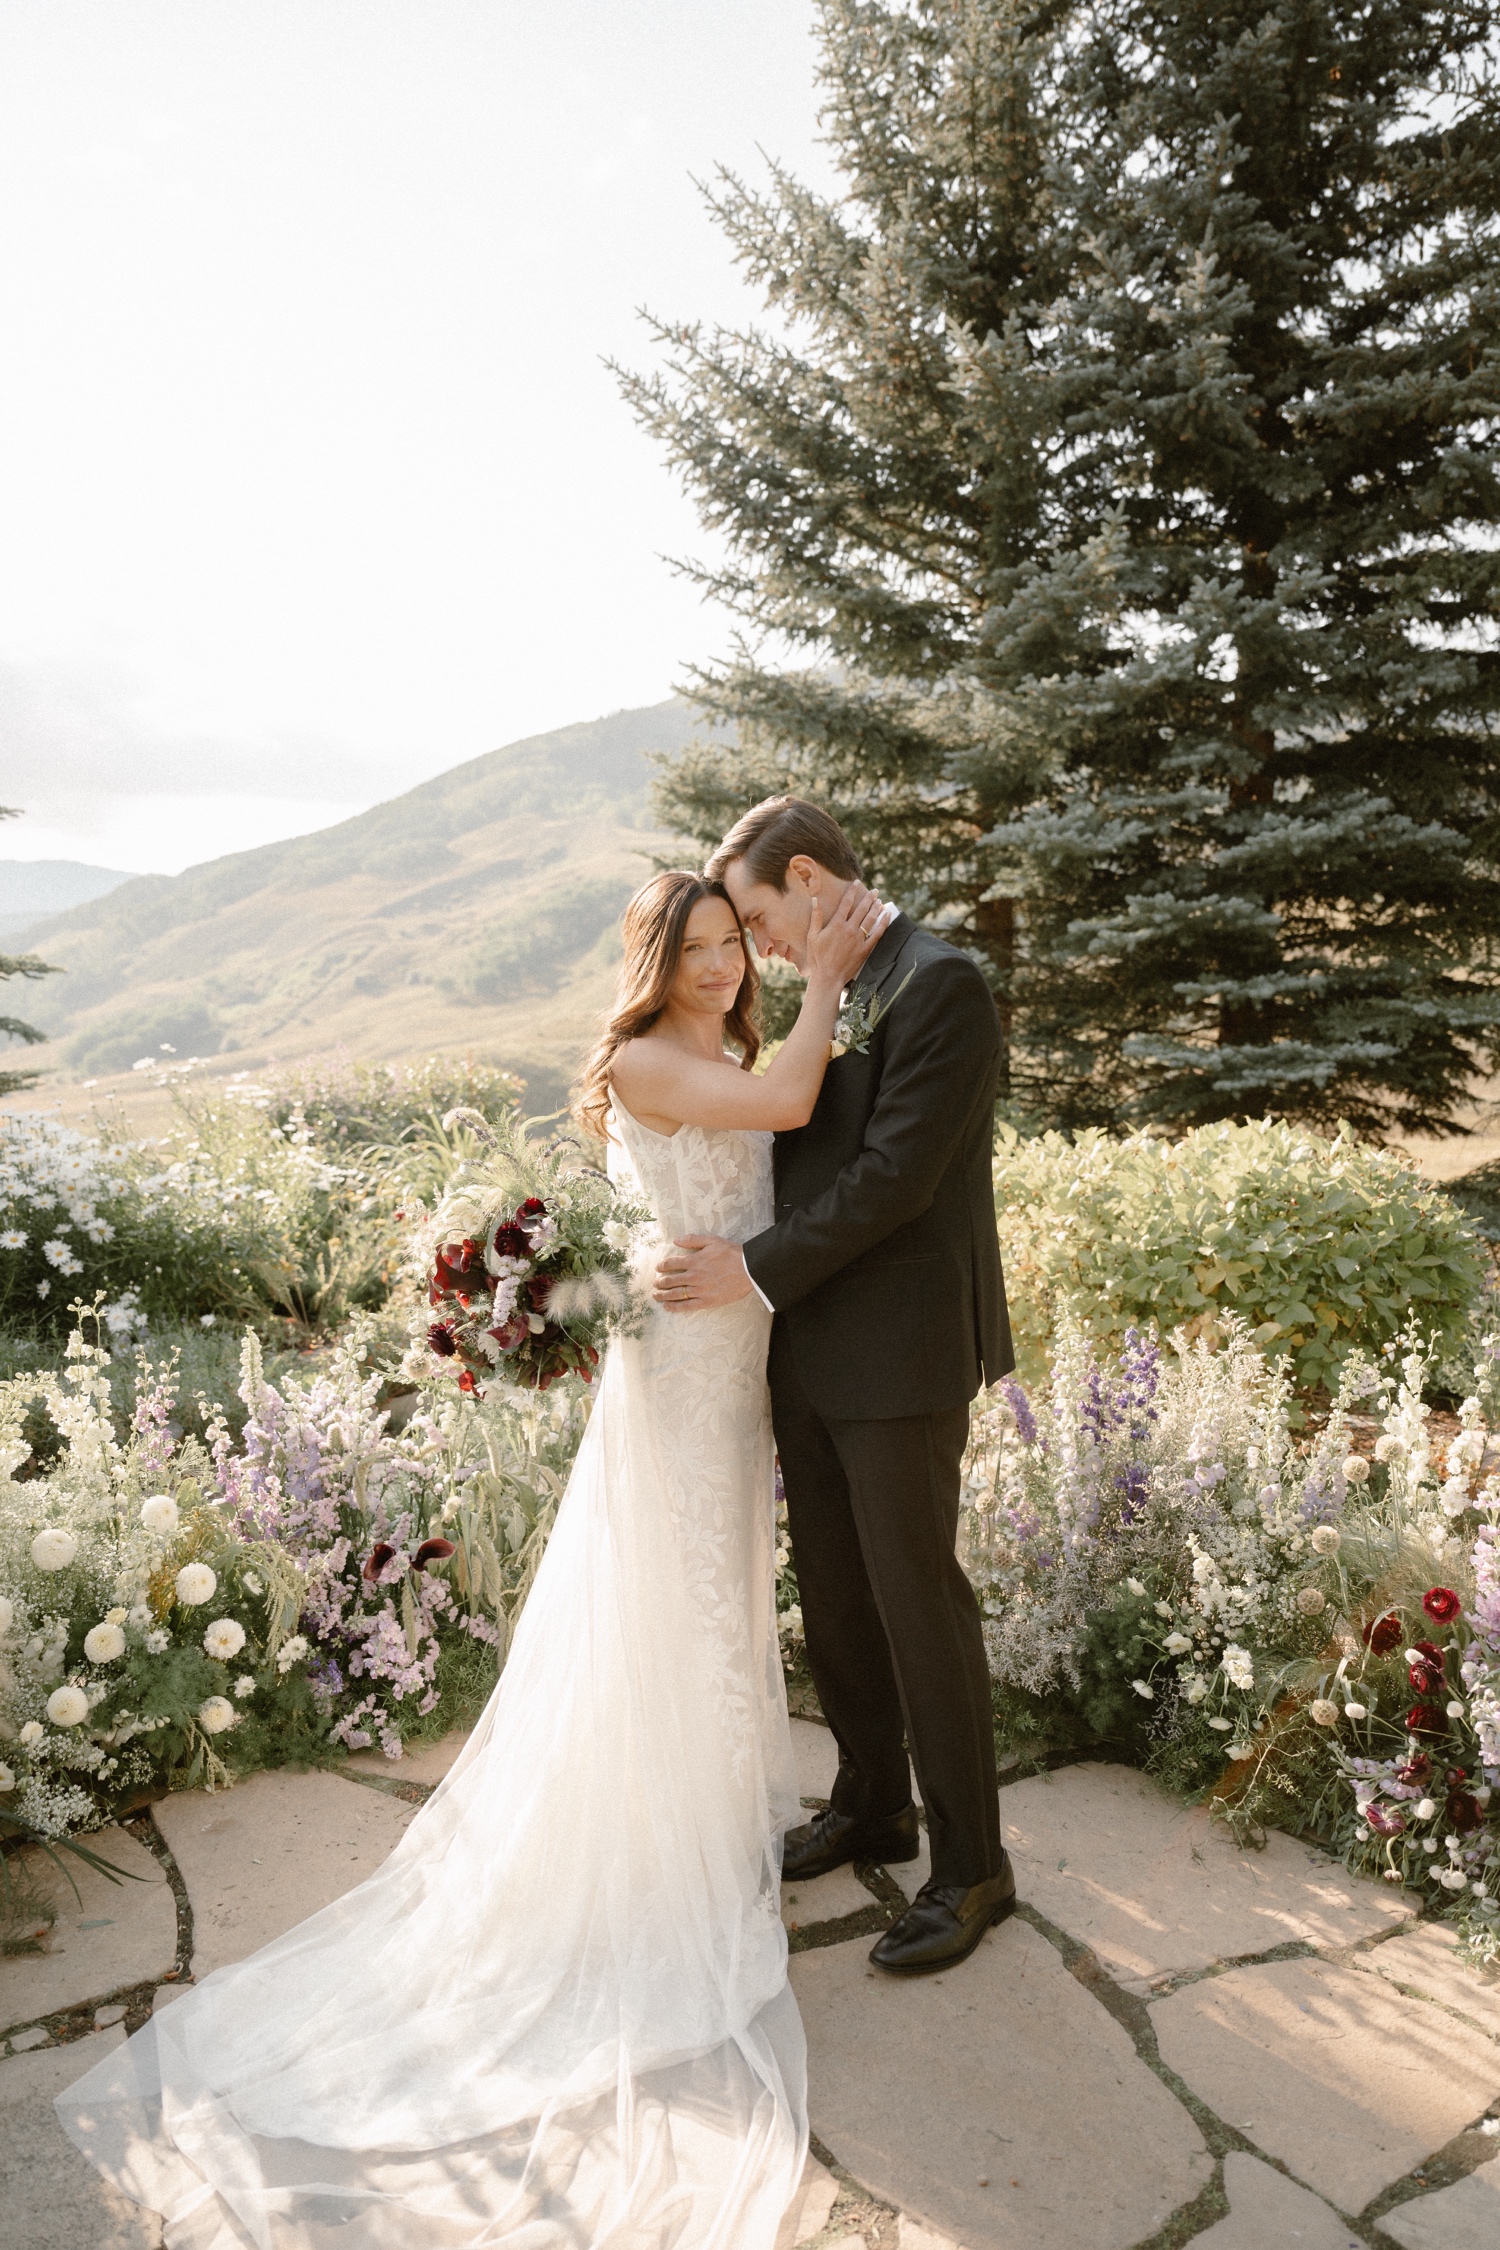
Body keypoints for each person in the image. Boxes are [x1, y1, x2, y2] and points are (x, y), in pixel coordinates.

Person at [55, 867, 883, 2250]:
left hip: (725, 1345)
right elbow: (793, 1107)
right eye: (696, 949)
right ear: (652, 961)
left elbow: (731, 1165)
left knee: (712, 1583)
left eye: (733, 944)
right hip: (689, 1364)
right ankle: (646, 1855)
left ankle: (700, 1825)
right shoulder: (642, 1056)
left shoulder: (717, 1048)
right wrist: (834, 979)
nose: (723, 967)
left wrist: (651, 1265)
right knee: (669, 1590)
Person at [655, 796, 1016, 1976]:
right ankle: (873, 1805)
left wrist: (747, 1272)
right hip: (803, 1347)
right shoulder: (836, 984)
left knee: (919, 1599)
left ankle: (972, 1868)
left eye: (757, 917)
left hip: (901, 1356)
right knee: (840, 1596)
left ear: (808, 878)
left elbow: (897, 1180)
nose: (751, 947)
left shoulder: (940, 981)